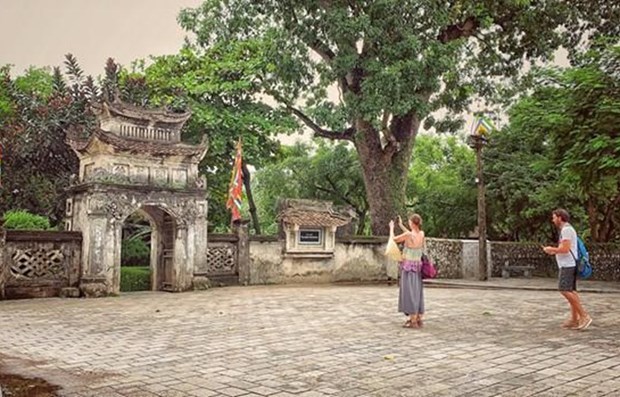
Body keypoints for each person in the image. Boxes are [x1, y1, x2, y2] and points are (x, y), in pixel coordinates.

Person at [542, 209, 592, 330]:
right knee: (571, 290)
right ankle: (574, 319)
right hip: (568, 263)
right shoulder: (567, 230)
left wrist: (551, 249)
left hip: (567, 265)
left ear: (560, 217)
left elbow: (565, 248)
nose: (553, 220)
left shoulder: (566, 230)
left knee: (564, 290)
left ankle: (584, 316)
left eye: (554, 217)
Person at [389, 214, 425, 328]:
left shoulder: (408, 235)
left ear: (411, 223)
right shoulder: (421, 234)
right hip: (417, 267)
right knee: (417, 291)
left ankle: (413, 319)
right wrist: (400, 225)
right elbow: (411, 235)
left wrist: (391, 228)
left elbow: (394, 239)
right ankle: (418, 317)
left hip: (408, 267)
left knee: (409, 292)